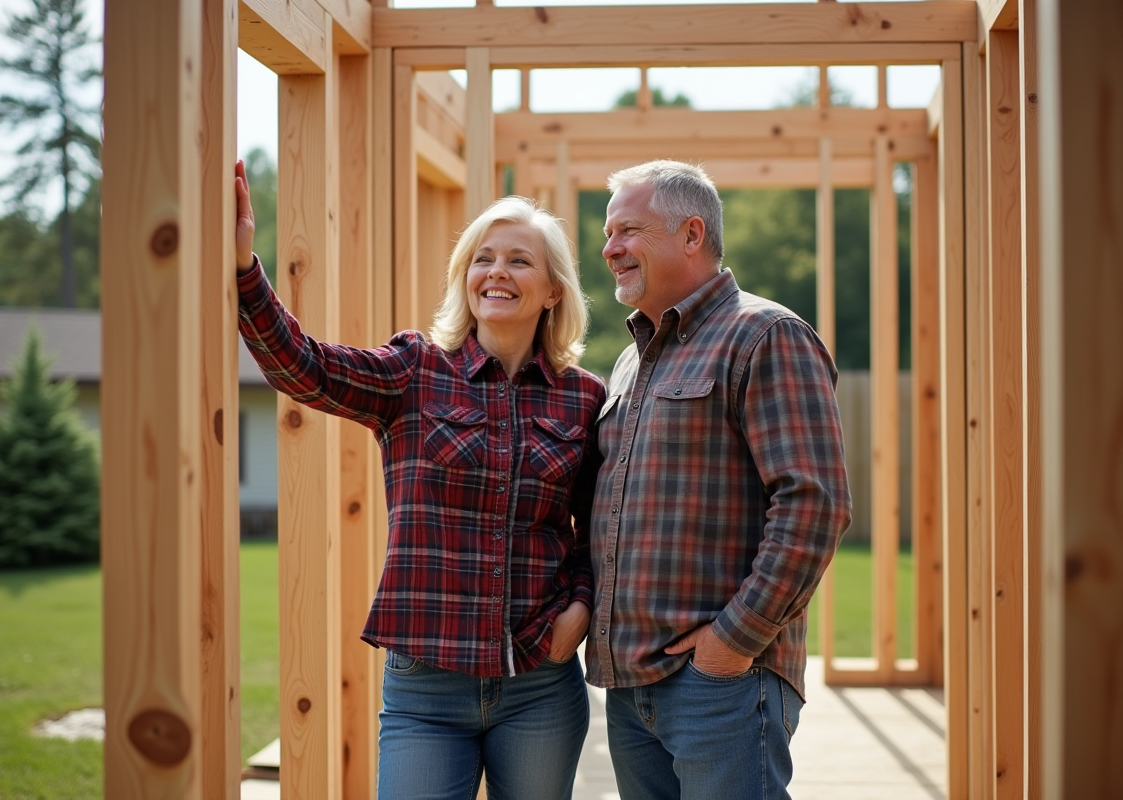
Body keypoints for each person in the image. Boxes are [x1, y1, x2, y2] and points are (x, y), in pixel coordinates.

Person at [232, 161, 604, 800]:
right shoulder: (414, 370)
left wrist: (580, 608)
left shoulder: (584, 398)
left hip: (539, 684)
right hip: (426, 685)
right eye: (482, 258)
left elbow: (597, 530)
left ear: (552, 291)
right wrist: (245, 272)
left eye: (519, 260)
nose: (496, 272)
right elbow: (304, 369)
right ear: (465, 278)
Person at [585, 160, 852, 800]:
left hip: (723, 684)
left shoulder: (765, 335)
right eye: (607, 232)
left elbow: (814, 504)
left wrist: (731, 645)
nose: (609, 248)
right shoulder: (628, 361)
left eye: (627, 230)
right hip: (632, 690)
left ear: (691, 233)